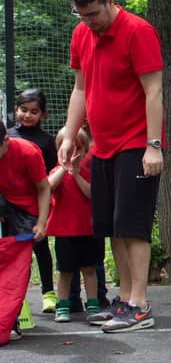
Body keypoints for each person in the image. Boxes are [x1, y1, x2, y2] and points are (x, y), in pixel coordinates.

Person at [60, 0, 164, 333]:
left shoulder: (138, 31)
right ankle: (123, 299)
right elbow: (80, 89)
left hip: (136, 145)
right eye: (81, 15)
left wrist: (153, 147)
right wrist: (70, 134)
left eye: (93, 14)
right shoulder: (81, 34)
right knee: (114, 228)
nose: (89, 22)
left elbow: (153, 92)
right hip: (102, 146)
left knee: (134, 228)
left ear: (109, 1)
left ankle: (140, 304)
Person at [46, 128, 105, 322]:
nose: (73, 153)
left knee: (89, 269)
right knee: (65, 271)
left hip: (88, 230)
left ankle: (93, 304)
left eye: (78, 148)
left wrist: (76, 173)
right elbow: (48, 186)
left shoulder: (88, 172)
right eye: (69, 148)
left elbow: (91, 194)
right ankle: (63, 305)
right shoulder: (57, 171)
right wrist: (65, 168)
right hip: (65, 232)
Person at [0, 122, 50, 342]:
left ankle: (12, 318)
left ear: (5, 141)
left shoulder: (28, 153)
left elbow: (44, 188)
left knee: (18, 264)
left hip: (26, 207)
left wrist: (41, 222)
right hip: (4, 200)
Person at [9, 89, 58, 313]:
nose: (28, 115)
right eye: (24, 110)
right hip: (9, 204)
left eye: (34, 111)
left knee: (40, 248)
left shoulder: (47, 141)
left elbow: (48, 179)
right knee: (15, 252)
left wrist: (42, 214)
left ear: (43, 114)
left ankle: (48, 291)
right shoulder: (7, 136)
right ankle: (17, 296)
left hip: (35, 202)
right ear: (15, 110)